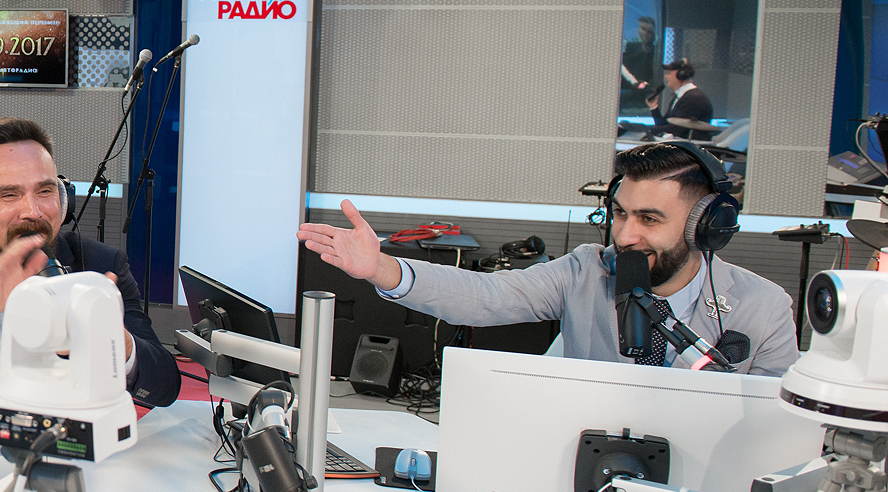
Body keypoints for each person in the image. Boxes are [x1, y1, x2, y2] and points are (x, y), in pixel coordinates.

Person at [297, 141, 798, 377]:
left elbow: (774, 434)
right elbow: (486, 297)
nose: (625, 236)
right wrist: (382, 268)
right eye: (620, 214)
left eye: (649, 219)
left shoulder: (764, 307)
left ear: (705, 225)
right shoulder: (588, 270)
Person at [0, 117, 179, 431]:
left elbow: (165, 387)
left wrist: (113, 341)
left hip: (57, 448)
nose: (33, 211)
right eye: (9, 195)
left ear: (64, 198)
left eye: (44, 190)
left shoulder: (99, 266)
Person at [648, 58, 716, 142]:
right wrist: (654, 108)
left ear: (681, 75)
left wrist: (648, 130)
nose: (666, 77)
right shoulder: (680, 97)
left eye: (669, 73)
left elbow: (677, 130)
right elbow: (664, 125)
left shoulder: (693, 98)